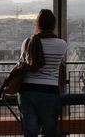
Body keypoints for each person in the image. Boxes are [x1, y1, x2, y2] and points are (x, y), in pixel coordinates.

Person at [18, 9, 67, 137]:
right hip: (50, 91)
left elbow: (22, 64)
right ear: (53, 25)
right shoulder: (62, 45)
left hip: (27, 91)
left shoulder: (27, 43)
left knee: (30, 131)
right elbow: (60, 66)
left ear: (37, 24)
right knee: (50, 130)